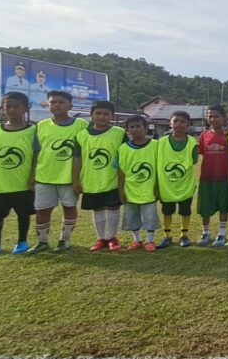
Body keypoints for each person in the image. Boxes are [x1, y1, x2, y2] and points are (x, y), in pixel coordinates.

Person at [27, 90, 90, 254]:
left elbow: (86, 152)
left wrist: (78, 179)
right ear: (48, 105)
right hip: (44, 177)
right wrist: (32, 175)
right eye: (52, 102)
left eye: (61, 102)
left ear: (70, 105)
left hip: (69, 178)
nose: (56, 105)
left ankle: (64, 240)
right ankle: (42, 242)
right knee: (42, 210)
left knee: (69, 207)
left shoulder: (81, 125)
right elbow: (36, 152)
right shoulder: (41, 125)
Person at [0, 92, 36, 258]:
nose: (12, 110)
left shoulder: (33, 131)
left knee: (23, 215)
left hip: (22, 183)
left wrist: (32, 176)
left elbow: (36, 156)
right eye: (8, 106)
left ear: (26, 108)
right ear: (3, 108)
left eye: (16, 106)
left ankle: (22, 242)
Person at [73, 101, 126, 252]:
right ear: (92, 115)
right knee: (98, 210)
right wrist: (76, 180)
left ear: (112, 116)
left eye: (106, 114)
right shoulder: (82, 135)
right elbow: (77, 159)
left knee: (113, 208)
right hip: (91, 180)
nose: (102, 117)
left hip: (112, 180)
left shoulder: (119, 133)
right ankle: (101, 238)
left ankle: (112, 237)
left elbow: (125, 157)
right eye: (98, 113)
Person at [156, 111, 199, 249]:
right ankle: (167, 236)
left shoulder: (192, 142)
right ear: (170, 123)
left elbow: (194, 159)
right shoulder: (161, 142)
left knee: (185, 211)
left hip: (185, 184)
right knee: (167, 211)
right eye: (175, 121)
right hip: (166, 184)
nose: (179, 124)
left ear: (188, 124)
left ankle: (184, 235)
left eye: (182, 121)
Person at [117, 115, 160, 252]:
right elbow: (121, 171)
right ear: (127, 130)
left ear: (146, 128)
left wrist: (157, 187)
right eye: (132, 127)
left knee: (150, 216)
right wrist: (121, 190)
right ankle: (136, 239)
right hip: (130, 189)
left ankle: (149, 240)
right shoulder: (123, 148)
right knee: (131, 216)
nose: (135, 129)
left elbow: (159, 168)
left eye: (138, 126)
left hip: (148, 188)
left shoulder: (155, 145)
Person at [197, 105, 228, 247]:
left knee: (224, 207)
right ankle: (205, 233)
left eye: (216, 116)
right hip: (207, 177)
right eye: (210, 116)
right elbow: (202, 155)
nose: (213, 119)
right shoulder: (203, 136)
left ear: (224, 118)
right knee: (205, 208)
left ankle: (221, 234)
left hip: (225, 177)